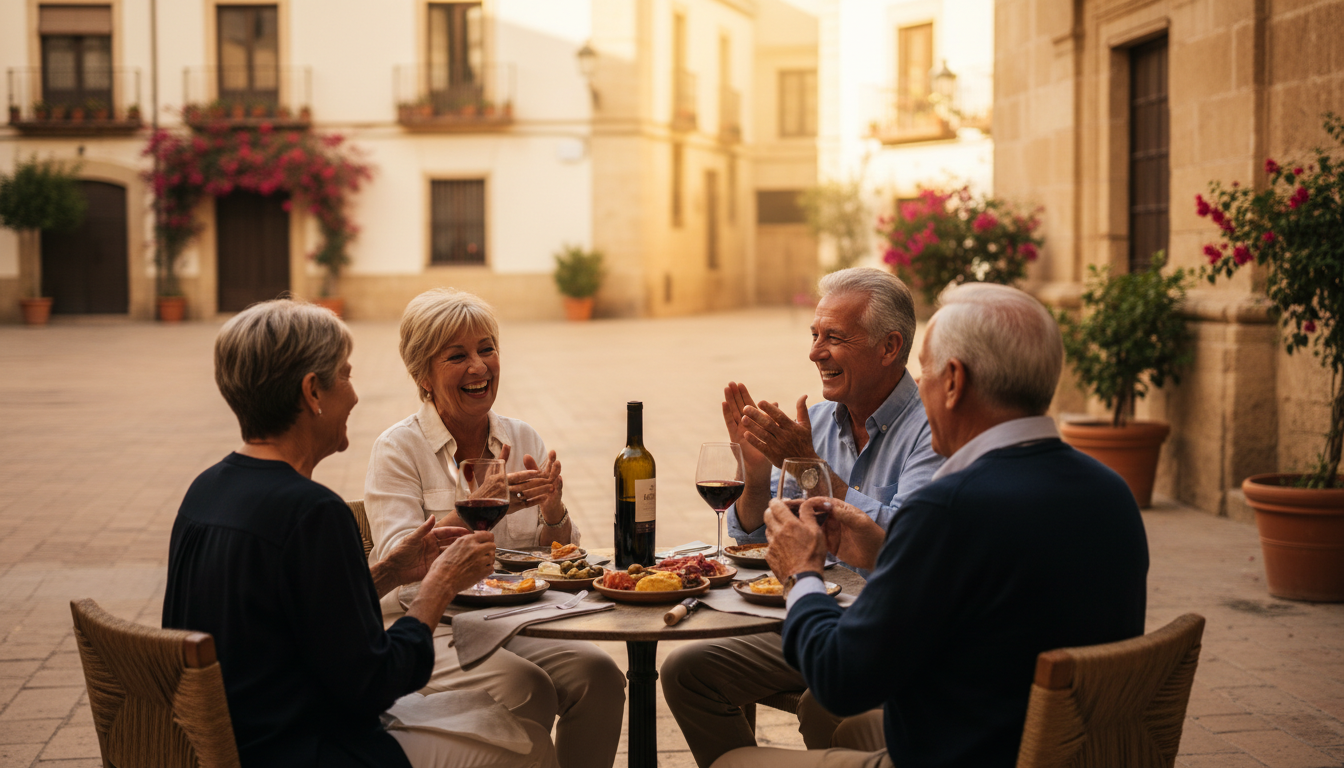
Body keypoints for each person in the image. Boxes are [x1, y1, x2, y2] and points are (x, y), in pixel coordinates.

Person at [718, 283, 1150, 768]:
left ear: (954, 381)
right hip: (1059, 744)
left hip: (961, 752)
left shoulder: (951, 507)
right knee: (858, 728)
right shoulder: (1113, 492)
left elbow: (839, 678)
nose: (918, 389)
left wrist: (802, 574)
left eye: (923, 374)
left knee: (735, 762)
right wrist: (885, 549)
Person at [162, 299, 557, 768]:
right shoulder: (311, 513)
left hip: (232, 738)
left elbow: (306, 617)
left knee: (516, 712)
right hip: (306, 748)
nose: (353, 396)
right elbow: (377, 681)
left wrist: (390, 569)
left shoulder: (204, 491)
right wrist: (438, 583)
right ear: (313, 392)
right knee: (529, 747)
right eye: (346, 376)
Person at [662, 267, 942, 767]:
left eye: (833, 338)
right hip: (816, 610)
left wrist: (813, 472)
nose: (815, 352)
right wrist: (752, 472)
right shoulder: (814, 422)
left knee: (828, 701)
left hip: (890, 630)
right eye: (814, 336)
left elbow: (905, 546)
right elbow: (751, 533)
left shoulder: (930, 427)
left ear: (889, 346)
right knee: (687, 669)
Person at [365, 288, 625, 768]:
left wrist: (552, 511)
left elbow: (557, 561)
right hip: (430, 626)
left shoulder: (521, 436)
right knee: (527, 688)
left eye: (487, 349)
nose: (479, 367)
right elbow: (398, 564)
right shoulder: (397, 449)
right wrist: (473, 506)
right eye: (457, 356)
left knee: (601, 676)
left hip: (512, 619)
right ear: (423, 374)